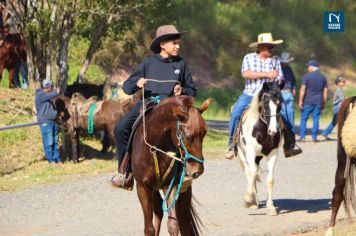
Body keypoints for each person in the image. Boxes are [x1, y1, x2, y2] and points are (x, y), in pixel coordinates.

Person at [111, 25, 197, 189]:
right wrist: (137, 83)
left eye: (178, 43)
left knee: (186, 132)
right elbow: (127, 87)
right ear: (162, 44)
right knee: (120, 129)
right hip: (148, 104)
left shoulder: (181, 64)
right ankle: (126, 173)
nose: (178, 46)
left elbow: (193, 91)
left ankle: (183, 172)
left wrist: (182, 90)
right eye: (174, 43)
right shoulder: (148, 63)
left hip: (172, 108)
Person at [225, 32, 302, 159]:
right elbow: (246, 74)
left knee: (287, 113)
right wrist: (267, 74)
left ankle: (290, 144)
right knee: (236, 112)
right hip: (250, 94)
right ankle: (231, 145)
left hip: (270, 95)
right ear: (261, 47)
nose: (272, 49)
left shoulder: (275, 61)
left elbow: (280, 77)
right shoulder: (249, 57)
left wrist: (280, 82)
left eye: (272, 47)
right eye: (269, 47)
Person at [298, 60, 328, 142]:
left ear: (312, 67)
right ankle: (314, 137)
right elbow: (325, 91)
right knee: (316, 119)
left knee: (304, 119)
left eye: (308, 67)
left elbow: (303, 89)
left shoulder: (306, 76)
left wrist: (300, 100)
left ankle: (302, 137)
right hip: (318, 102)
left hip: (307, 101)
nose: (307, 68)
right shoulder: (323, 77)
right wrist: (324, 102)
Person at [35, 78, 62, 164]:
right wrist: (56, 91)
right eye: (51, 86)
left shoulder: (46, 95)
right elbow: (55, 93)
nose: (52, 87)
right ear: (48, 86)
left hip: (53, 121)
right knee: (49, 142)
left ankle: (57, 159)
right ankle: (51, 160)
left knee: (55, 141)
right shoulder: (40, 95)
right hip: (46, 122)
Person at [321, 75, 346, 140]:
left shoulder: (340, 90)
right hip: (338, 108)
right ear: (339, 83)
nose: (344, 83)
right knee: (340, 122)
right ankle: (341, 136)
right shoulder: (339, 90)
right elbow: (342, 99)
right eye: (343, 81)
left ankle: (325, 133)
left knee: (334, 122)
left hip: (338, 108)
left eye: (344, 81)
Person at [279, 52, 297, 133]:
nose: (286, 63)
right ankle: (283, 129)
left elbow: (293, 79)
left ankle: (291, 130)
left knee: (290, 111)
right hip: (281, 92)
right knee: (282, 112)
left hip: (289, 92)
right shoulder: (278, 68)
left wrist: (294, 88)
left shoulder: (289, 68)